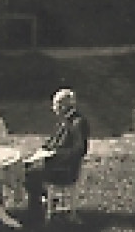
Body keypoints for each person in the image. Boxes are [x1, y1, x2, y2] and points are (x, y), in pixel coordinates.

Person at [22, 88, 89, 224]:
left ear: (64, 105)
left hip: (66, 169)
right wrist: (41, 151)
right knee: (23, 168)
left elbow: (79, 150)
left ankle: (35, 212)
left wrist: (53, 155)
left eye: (55, 104)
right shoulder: (65, 119)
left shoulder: (78, 122)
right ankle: (43, 200)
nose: (53, 108)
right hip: (55, 163)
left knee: (29, 174)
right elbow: (54, 141)